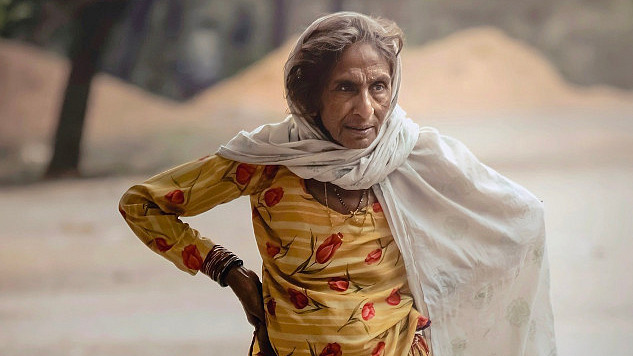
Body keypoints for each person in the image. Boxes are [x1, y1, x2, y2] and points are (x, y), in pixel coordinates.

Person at [119, 12, 556, 356]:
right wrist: (229, 272)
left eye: (379, 86)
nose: (366, 109)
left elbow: (520, 220)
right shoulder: (269, 160)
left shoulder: (412, 156)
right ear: (309, 95)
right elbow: (143, 205)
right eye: (346, 88)